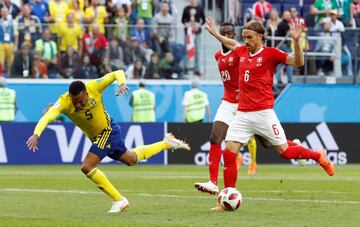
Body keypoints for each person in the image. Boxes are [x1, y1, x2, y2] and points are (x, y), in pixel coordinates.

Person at [204, 17, 335, 210]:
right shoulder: (242, 51)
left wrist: (297, 42)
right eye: (244, 38)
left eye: (249, 38)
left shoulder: (271, 54)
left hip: (264, 113)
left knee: (285, 152)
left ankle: (318, 156)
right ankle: (226, 198)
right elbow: (231, 43)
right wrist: (216, 34)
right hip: (242, 115)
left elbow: (298, 62)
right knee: (229, 154)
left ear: (260, 36)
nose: (246, 41)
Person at [26, 70, 190, 213]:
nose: (79, 105)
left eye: (82, 101)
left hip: (107, 131)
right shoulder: (64, 102)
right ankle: (167, 143)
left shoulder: (94, 87)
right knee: (131, 159)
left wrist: (122, 83)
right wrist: (36, 134)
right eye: (75, 102)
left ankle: (119, 200)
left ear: (86, 93)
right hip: (100, 136)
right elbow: (47, 117)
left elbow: (116, 72)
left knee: (87, 167)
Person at [193, 23, 262, 197]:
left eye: (230, 33)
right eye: (224, 33)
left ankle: (295, 146)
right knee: (215, 136)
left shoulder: (240, 52)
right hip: (228, 102)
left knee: (267, 142)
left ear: (234, 34)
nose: (227, 36)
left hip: (244, 104)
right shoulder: (218, 56)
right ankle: (213, 183)